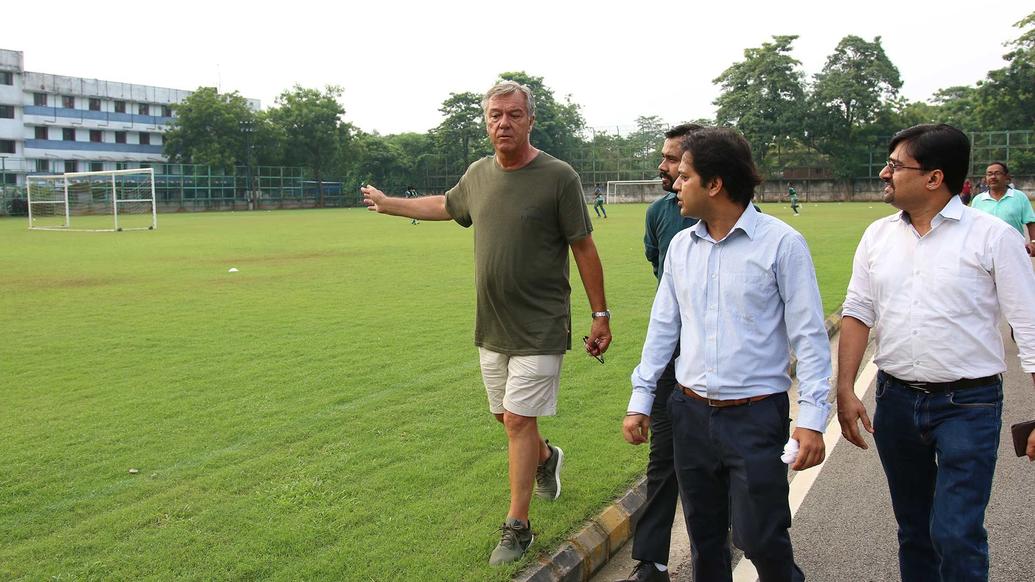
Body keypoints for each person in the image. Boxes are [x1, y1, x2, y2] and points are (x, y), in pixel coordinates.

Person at [361, 80, 612, 566]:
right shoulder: (478, 174)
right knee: (505, 417)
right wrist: (391, 204)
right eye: (495, 114)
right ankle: (546, 458)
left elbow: (583, 246)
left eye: (514, 114)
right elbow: (446, 205)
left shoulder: (558, 177)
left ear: (530, 120)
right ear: (486, 121)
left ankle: (517, 527)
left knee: (518, 419)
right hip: (491, 325)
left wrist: (600, 315)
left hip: (540, 324)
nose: (504, 122)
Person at [623, 127, 831, 582]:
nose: (674, 185)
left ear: (714, 184)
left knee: (761, 537)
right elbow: (663, 329)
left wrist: (813, 419)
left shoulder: (781, 244)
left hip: (755, 418)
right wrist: (641, 399)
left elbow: (810, 337)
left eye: (685, 177)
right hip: (690, 413)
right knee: (705, 539)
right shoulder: (681, 246)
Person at [836, 124, 1035, 582]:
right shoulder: (878, 236)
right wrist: (845, 389)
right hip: (897, 402)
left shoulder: (992, 237)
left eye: (895, 165)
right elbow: (858, 312)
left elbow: (1027, 325)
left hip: (968, 405)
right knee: (914, 531)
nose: (885, 174)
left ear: (933, 178)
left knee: (955, 532)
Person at [620, 123, 702, 582]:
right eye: (665, 158)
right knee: (662, 456)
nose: (663, 166)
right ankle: (652, 560)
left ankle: (732, 530)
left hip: (720, 360)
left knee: (720, 453)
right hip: (671, 351)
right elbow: (660, 269)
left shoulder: (739, 218)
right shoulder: (659, 214)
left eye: (673, 159)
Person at [969, 162, 1035, 256]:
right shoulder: (978, 200)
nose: (993, 177)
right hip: (985, 253)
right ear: (986, 178)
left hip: (1014, 251)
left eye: (997, 173)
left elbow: (1031, 222)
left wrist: (1033, 242)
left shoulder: (1019, 197)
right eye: (989, 174)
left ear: (1007, 177)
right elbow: (972, 226)